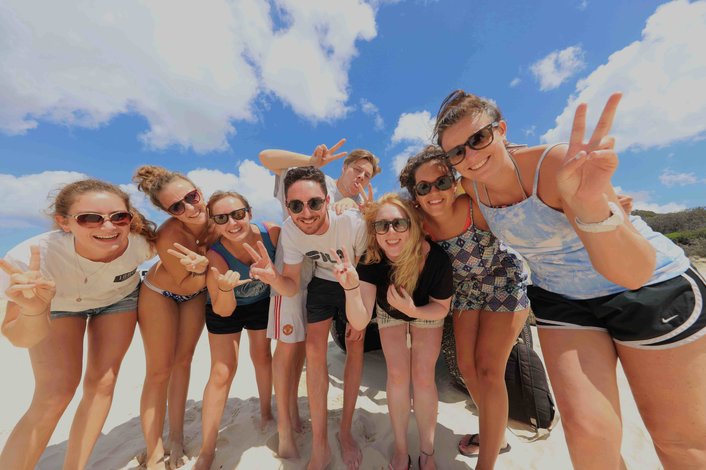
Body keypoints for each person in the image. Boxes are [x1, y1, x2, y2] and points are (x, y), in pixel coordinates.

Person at [433, 90, 706, 469]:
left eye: (478, 138)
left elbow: (634, 272)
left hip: (650, 287)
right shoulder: (471, 186)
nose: (471, 156)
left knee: (679, 442)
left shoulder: (555, 164)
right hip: (562, 298)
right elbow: (425, 199)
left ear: (501, 130)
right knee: (587, 437)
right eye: (456, 152)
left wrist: (592, 206)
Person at [0, 179, 156, 470]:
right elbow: (19, 338)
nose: (108, 227)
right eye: (90, 218)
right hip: (55, 303)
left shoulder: (141, 244)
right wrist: (34, 310)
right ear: (64, 222)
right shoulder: (29, 259)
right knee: (54, 394)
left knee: (103, 383)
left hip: (117, 300)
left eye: (119, 217)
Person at [399, 148, 530, 469]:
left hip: (504, 280)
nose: (434, 192)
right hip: (465, 291)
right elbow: (385, 217)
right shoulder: (421, 223)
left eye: (442, 182)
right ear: (415, 194)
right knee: (466, 367)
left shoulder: (474, 204)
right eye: (424, 187)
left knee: (489, 369)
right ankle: (496, 433)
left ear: (454, 181)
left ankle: (487, 460)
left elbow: (511, 184)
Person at [258, 141, 379, 463]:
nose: (306, 211)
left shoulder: (354, 217)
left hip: (356, 278)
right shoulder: (301, 211)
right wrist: (273, 278)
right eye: (357, 170)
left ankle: (345, 431)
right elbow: (291, 282)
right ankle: (319, 441)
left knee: (355, 343)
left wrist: (355, 297)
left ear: (325, 201)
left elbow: (368, 263)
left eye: (367, 175)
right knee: (311, 350)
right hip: (321, 281)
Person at [330, 193, 453, 470]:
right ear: (374, 231)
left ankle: (427, 451)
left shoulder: (436, 260)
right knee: (397, 375)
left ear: (413, 225)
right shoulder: (372, 259)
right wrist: (351, 289)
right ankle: (400, 448)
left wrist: (414, 311)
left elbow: (441, 308)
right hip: (390, 311)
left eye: (399, 223)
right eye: (382, 225)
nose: (391, 232)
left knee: (423, 377)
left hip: (425, 308)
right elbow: (360, 321)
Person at [193, 191, 278, 470]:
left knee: (262, 356)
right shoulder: (215, 255)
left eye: (238, 214)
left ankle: (266, 412)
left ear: (249, 213)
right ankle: (207, 449)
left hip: (260, 302)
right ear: (214, 223)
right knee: (222, 371)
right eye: (221, 218)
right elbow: (223, 310)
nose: (232, 223)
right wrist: (226, 289)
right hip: (224, 305)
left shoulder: (272, 234)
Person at [133, 166, 211, 469]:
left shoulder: (218, 219)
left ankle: (176, 436)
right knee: (159, 371)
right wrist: (204, 268)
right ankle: (153, 449)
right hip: (160, 293)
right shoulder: (168, 235)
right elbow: (186, 283)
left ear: (199, 191)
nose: (189, 208)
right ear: (168, 212)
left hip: (195, 292)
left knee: (183, 362)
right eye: (177, 206)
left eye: (192, 197)